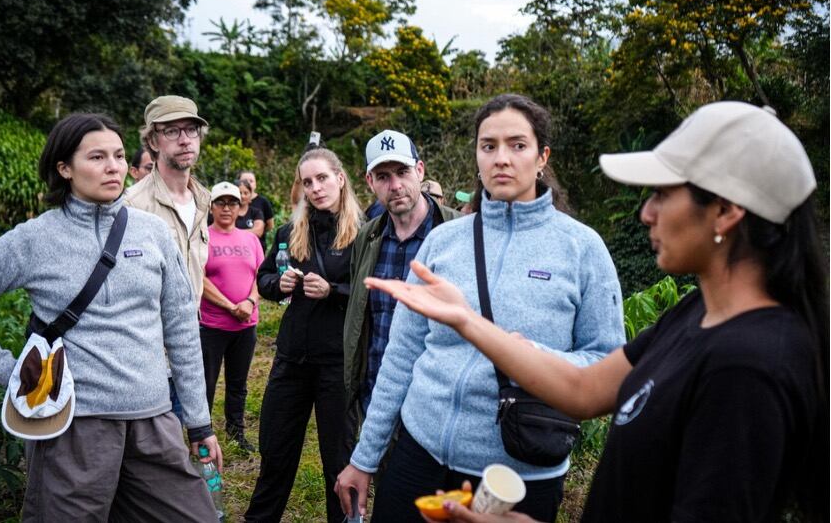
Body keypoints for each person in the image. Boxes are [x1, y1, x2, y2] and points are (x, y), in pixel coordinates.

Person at [367, 101, 828, 523]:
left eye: (663, 194)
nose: (646, 212)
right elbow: (585, 390)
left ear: (726, 212)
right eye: (489, 145)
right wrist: (466, 320)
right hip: (419, 455)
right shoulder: (692, 317)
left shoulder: (748, 367)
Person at [335, 94, 625, 522]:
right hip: (419, 454)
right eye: (489, 146)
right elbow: (401, 358)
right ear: (476, 155)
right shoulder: (444, 242)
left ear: (542, 156)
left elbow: (605, 362)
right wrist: (365, 458)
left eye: (518, 145)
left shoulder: (582, 249)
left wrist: (532, 355)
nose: (502, 159)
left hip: (515, 471)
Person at [0, 113, 221, 521]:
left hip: (153, 421)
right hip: (74, 428)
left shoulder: (152, 232)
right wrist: (13, 374)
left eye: (119, 155)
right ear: (64, 168)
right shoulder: (35, 238)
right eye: (97, 157)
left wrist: (199, 422)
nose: (114, 166)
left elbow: (182, 330)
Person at [245, 147, 362, 523]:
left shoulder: (362, 233)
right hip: (291, 360)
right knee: (275, 456)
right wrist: (279, 283)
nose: (315, 188)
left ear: (340, 179)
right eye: (307, 182)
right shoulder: (289, 231)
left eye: (322, 178)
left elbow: (372, 292)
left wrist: (333, 291)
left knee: (338, 463)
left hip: (337, 364)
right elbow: (262, 281)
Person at [343, 130, 460, 425]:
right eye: (383, 177)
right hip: (377, 396)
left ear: (420, 171)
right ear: (370, 182)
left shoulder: (460, 232)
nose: (395, 186)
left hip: (440, 403)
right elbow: (361, 318)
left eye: (402, 172)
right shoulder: (367, 238)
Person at [126, 95, 211, 421]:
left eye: (191, 129)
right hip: (148, 363)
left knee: (191, 452)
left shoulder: (202, 200)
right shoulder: (133, 206)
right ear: (152, 140)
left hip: (188, 355)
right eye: (172, 131)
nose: (185, 139)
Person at [200, 181, 264, 454]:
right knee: (206, 382)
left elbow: (261, 275)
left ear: (241, 207)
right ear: (211, 206)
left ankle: (236, 432)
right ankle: (201, 435)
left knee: (238, 383)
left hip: (246, 324)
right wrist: (229, 305)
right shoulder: (202, 237)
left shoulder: (250, 239)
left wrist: (249, 301)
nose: (226, 208)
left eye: (232, 203)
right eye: (221, 203)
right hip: (213, 324)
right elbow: (198, 277)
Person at [239, 170, 275, 245]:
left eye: (251, 181)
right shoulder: (233, 203)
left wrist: (258, 229)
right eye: (245, 180)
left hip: (257, 244)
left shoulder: (263, 201)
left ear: (255, 185)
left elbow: (270, 225)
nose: (248, 183)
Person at [236, 178, 266, 244]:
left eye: (246, 193)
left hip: (251, 248)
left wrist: (234, 233)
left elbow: (258, 231)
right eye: (239, 193)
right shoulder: (228, 212)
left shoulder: (256, 213)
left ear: (250, 195)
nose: (242, 196)